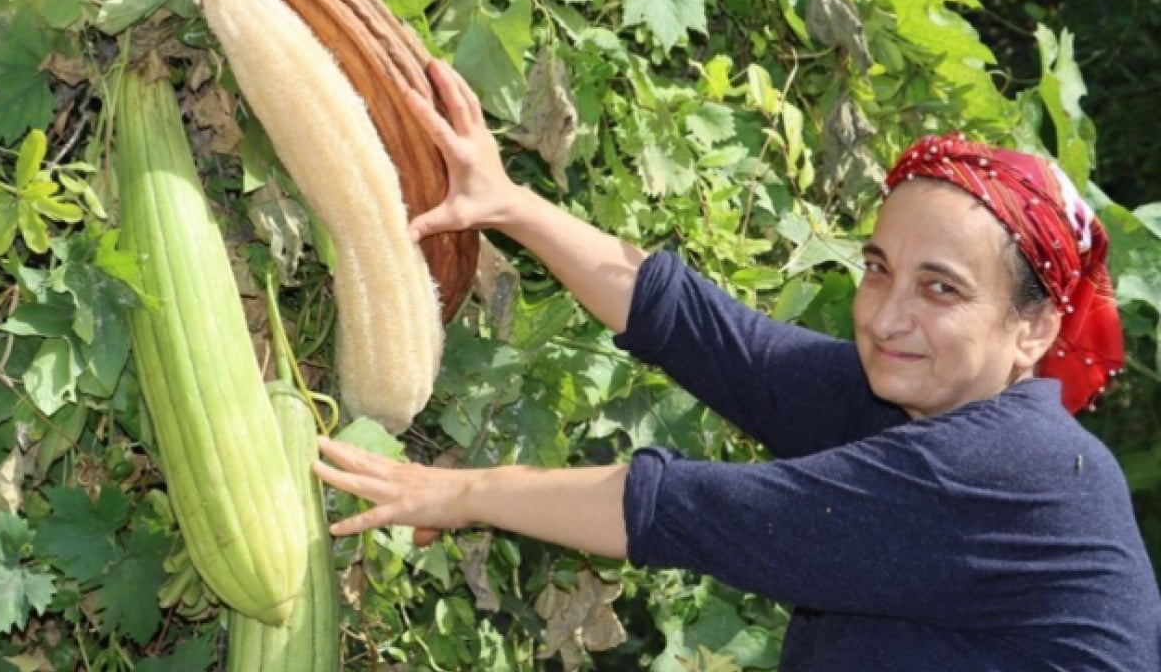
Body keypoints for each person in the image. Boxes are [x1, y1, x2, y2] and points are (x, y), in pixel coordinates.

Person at [312, 59, 1161, 670]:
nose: (888, 316)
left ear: (1034, 328)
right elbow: (717, 339)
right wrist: (512, 205)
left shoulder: (1008, 470)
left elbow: (684, 508)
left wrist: (455, 492)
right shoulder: (920, 400)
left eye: (941, 289)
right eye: (877, 269)